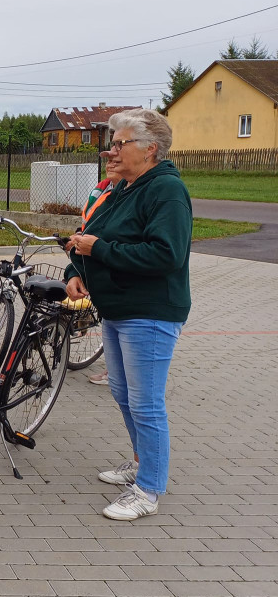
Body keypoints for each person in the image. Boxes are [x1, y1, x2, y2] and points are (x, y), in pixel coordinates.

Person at [64, 108, 191, 521]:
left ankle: (149, 489)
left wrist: (97, 250)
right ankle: (140, 463)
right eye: (111, 143)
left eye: (120, 143)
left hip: (149, 312)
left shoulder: (165, 190)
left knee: (146, 404)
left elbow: (166, 254)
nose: (110, 151)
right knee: (123, 393)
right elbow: (89, 236)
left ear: (150, 148)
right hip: (117, 309)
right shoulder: (123, 188)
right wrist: (73, 272)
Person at [80, 163, 123, 386]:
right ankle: (114, 371)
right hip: (93, 255)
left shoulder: (123, 194)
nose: (110, 164)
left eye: (116, 159)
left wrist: (96, 247)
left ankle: (113, 371)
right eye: (107, 161)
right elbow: (89, 221)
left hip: (110, 265)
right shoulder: (102, 189)